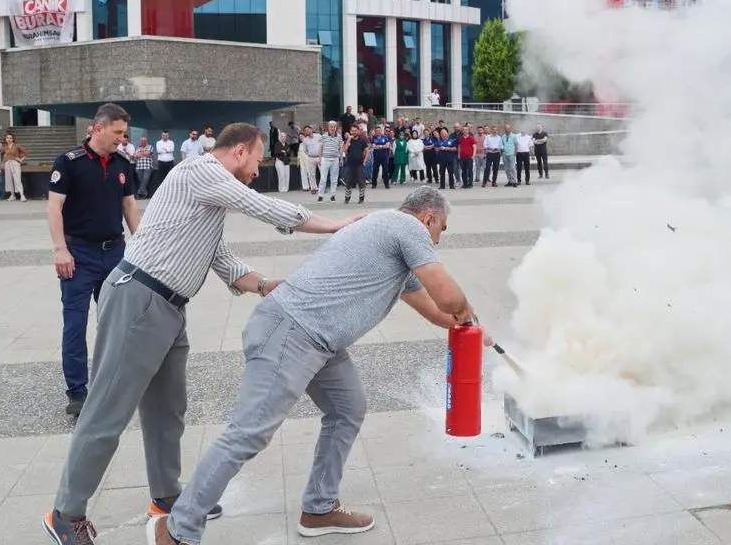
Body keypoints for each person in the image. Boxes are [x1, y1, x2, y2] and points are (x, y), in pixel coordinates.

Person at [43, 122, 361, 545]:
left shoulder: (209, 195)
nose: (257, 171)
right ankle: (66, 513)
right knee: (106, 412)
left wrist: (264, 285)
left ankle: (167, 497)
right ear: (240, 150)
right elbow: (263, 207)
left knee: (167, 411)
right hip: (139, 298)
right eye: (257, 159)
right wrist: (337, 225)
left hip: (168, 308)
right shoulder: (201, 171)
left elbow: (219, 257)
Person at [148, 187, 478, 545]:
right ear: (428, 217)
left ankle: (319, 508)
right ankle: (176, 530)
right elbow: (449, 299)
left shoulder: (392, 239)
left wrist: (473, 328)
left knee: (347, 408)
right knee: (248, 432)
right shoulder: (406, 227)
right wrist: (464, 312)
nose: (438, 239)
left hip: (319, 339)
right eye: (441, 228)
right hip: (292, 330)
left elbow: (434, 309)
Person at [46, 103, 141, 417]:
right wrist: (60, 249)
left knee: (116, 322)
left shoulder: (122, 163)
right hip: (79, 256)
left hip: (115, 254)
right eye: (117, 132)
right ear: (98, 128)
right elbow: (54, 208)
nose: (122, 139)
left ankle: (111, 382)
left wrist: (142, 247)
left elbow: (129, 206)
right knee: (75, 324)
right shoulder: (69, 162)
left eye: (124, 133)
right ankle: (77, 391)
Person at [316, 121, 341, 202]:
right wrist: (319, 158)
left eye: (334, 127)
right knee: (323, 179)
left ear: (336, 127)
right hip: (325, 159)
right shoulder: (323, 136)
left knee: (334, 179)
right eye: (331, 126)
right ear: (328, 127)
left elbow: (340, 148)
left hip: (335, 159)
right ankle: (320, 195)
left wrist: (341, 158)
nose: (333, 128)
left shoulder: (339, 137)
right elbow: (320, 148)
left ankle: (333, 195)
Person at [4, 132, 29, 201]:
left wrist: (20, 159)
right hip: (7, 164)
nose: (9, 139)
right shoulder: (5, 146)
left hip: (15, 163)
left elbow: (26, 152)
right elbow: (4, 154)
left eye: (10, 138)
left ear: (13, 139)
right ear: (6, 139)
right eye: (7, 138)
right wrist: (5, 159)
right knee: (9, 180)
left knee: (17, 179)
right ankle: (12, 195)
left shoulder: (16, 146)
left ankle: (22, 195)